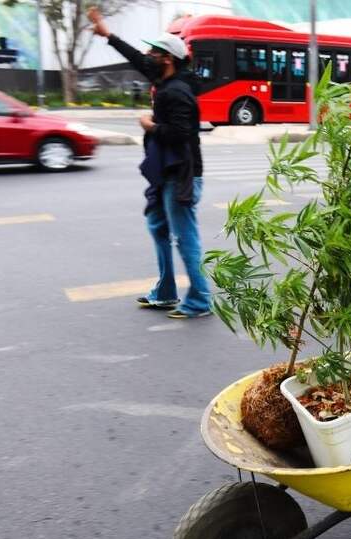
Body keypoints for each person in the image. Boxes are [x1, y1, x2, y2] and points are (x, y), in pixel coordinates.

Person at [88, 7, 210, 318]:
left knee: (185, 238)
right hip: (165, 170)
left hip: (182, 173)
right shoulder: (166, 77)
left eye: (153, 52)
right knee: (157, 226)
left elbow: (183, 133)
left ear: (166, 58)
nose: (147, 55)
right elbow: (138, 59)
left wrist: (151, 126)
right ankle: (166, 292)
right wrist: (109, 35)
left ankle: (200, 300)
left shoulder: (178, 91)